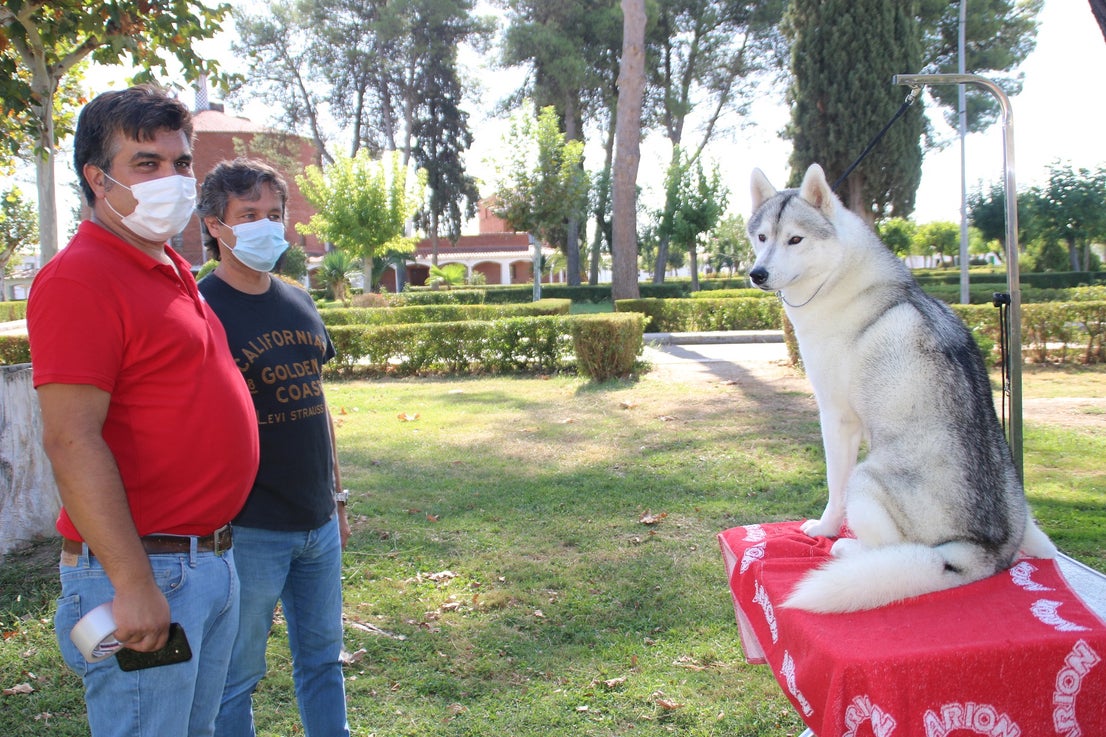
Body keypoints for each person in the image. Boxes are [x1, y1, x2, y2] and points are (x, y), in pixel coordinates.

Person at [26, 86, 260, 737]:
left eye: (180, 162)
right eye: (146, 163)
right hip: (143, 570)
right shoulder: (81, 277)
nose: (173, 179)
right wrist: (132, 584)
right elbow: (71, 440)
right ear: (97, 178)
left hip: (205, 560)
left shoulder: (168, 266)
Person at [195, 158, 351, 737]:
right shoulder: (199, 309)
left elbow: (318, 405)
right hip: (249, 528)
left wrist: (337, 500)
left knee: (324, 661)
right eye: (248, 215)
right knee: (236, 677)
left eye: (274, 214)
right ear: (215, 225)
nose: (266, 226)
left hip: (317, 523)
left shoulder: (299, 301)